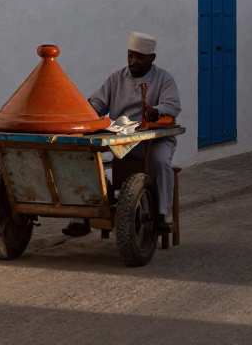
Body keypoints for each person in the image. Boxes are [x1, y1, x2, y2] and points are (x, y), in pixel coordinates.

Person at [63, 32, 181, 238]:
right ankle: (80, 218)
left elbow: (172, 105)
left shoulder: (164, 79)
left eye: (139, 57)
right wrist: (86, 109)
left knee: (160, 161)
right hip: (122, 138)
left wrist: (157, 110)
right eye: (130, 55)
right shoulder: (116, 78)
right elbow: (98, 104)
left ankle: (162, 215)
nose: (133, 61)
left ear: (151, 59)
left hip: (154, 139)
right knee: (85, 156)